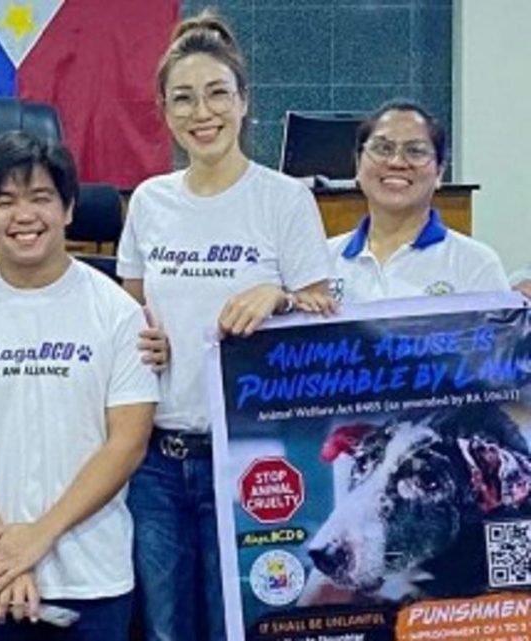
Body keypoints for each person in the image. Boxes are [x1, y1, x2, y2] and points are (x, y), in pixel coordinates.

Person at [116, 12, 335, 641]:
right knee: (163, 629)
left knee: (240, 625)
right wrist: (143, 338)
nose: (201, 112)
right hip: (157, 459)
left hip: (248, 458)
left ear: (243, 102)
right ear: (163, 110)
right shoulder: (151, 201)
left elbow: (322, 313)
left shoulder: (284, 198)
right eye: (182, 98)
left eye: (217, 93)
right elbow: (133, 314)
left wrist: (280, 296)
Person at [0, 131, 159, 641]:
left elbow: (127, 442)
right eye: (4, 202)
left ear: (68, 209)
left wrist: (36, 539)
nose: (23, 215)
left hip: (92, 575)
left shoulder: (117, 313)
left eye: (41, 198)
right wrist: (6, 551)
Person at [328, 100, 509, 302]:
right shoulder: (320, 262)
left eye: (415, 151)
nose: (396, 162)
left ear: (440, 171)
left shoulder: (475, 264)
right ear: (358, 165)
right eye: (382, 148)